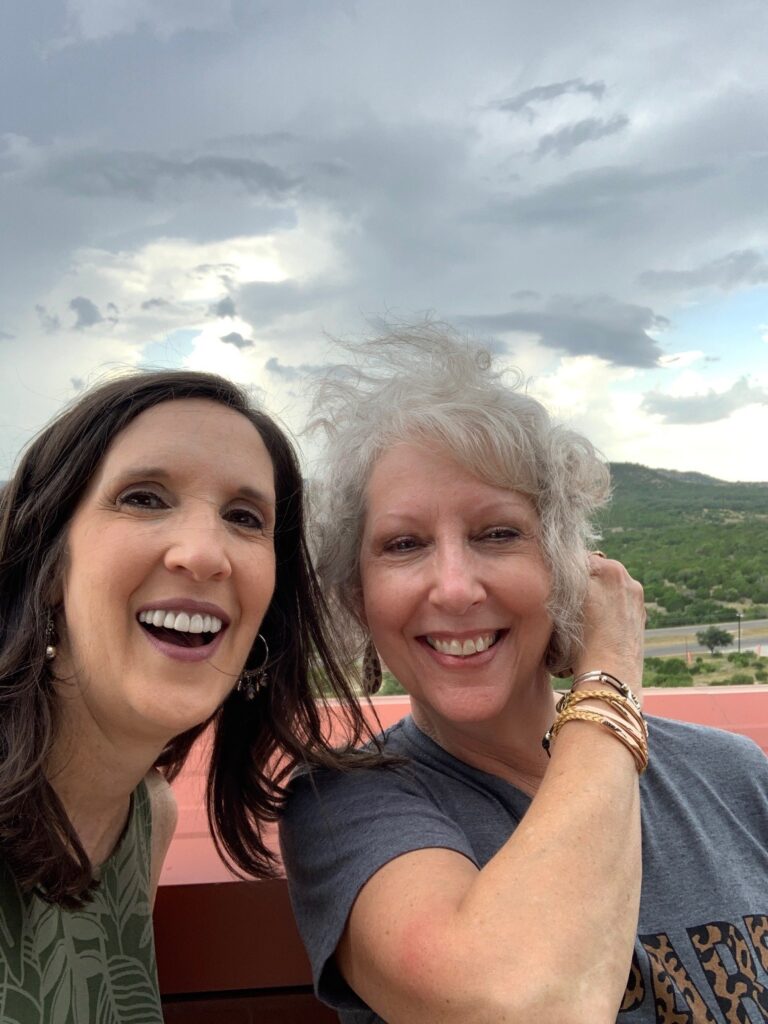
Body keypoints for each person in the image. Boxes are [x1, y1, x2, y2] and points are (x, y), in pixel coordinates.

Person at [280, 325, 768, 1024]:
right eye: (404, 544)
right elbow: (525, 1004)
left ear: (565, 569)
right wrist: (608, 670)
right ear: (359, 595)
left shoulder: (731, 775)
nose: (453, 587)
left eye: (498, 533)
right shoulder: (347, 808)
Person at [0, 369, 373, 1024]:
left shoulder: (143, 821)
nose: (205, 554)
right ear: (50, 566)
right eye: (144, 498)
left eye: (244, 518)